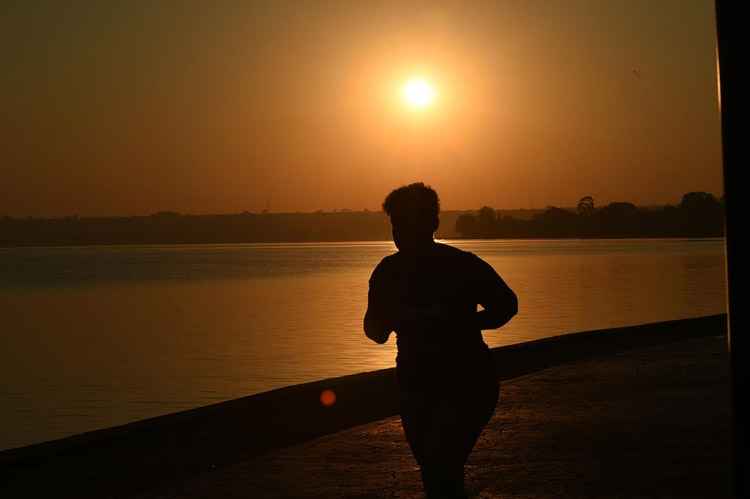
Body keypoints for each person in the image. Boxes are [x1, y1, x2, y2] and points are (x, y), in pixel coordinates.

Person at [364, 183, 518, 499]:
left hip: (468, 382)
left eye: (409, 224)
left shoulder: (462, 264)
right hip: (416, 386)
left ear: (433, 224)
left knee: (441, 464)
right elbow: (374, 331)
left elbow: (506, 305)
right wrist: (394, 318)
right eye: (396, 226)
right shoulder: (388, 272)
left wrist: (459, 323)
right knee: (437, 472)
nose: (401, 233)